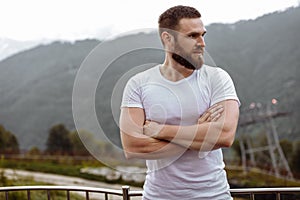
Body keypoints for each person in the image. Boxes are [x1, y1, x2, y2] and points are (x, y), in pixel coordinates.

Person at [119, 5, 240, 200]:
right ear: (168, 39)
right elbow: (133, 147)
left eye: (203, 35)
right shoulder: (138, 84)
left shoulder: (217, 78)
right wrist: (200, 133)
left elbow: (224, 135)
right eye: (192, 36)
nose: (202, 43)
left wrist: (160, 131)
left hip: (214, 196)